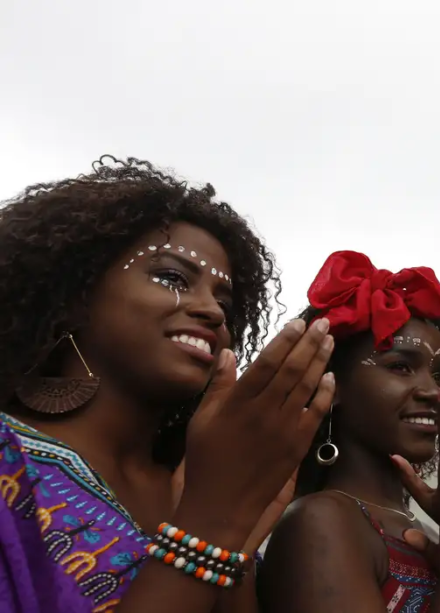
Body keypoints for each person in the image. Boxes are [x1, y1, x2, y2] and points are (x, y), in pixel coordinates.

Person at [0, 157, 334, 613]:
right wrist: (211, 523)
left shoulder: (202, 482)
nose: (212, 312)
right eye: (172, 278)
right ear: (74, 296)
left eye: (224, 303)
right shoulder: (9, 459)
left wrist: (232, 547)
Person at [258, 250, 440, 612]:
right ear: (330, 384)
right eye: (400, 367)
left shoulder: (434, 532)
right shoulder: (319, 521)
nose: (433, 391)